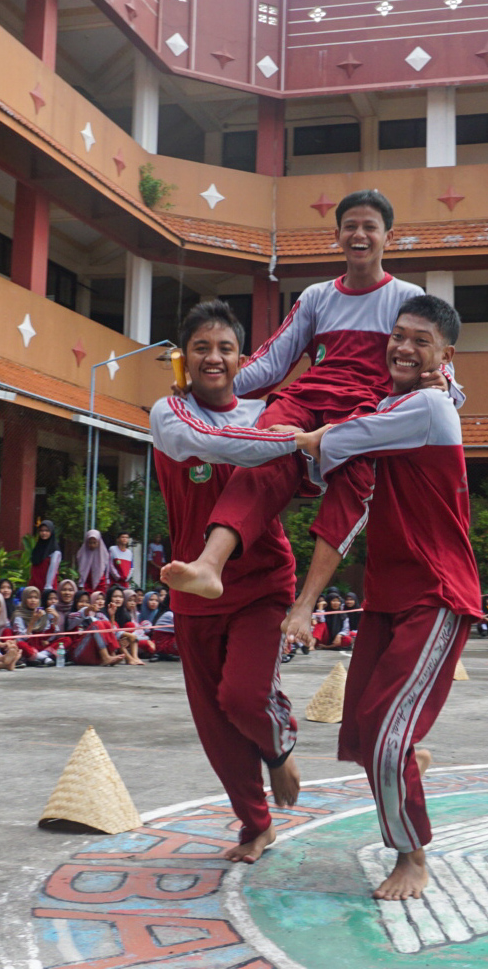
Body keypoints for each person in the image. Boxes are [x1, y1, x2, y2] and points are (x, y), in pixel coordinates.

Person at [166, 190, 458, 603]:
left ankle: (305, 603)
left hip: (364, 408)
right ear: (336, 234)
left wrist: (448, 386)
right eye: (351, 226)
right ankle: (209, 564)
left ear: (388, 237)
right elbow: (270, 363)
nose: (359, 234)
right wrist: (206, 385)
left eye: (369, 227)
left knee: (353, 484)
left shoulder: (407, 298)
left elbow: (435, 358)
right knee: (262, 449)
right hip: (307, 398)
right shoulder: (317, 296)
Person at [283, 293, 480, 901]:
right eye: (398, 335)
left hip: (436, 592)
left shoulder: (425, 408)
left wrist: (281, 435)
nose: (402, 347)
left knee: (388, 739)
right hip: (388, 597)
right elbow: (348, 503)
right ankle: (408, 763)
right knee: (369, 733)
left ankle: (412, 856)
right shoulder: (403, 400)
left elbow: (333, 444)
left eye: (420, 340)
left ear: (444, 355)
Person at [151, 299, 306, 863]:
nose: (213, 358)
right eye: (201, 348)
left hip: (262, 581)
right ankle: (255, 825)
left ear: (243, 359)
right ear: (183, 358)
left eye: (225, 349)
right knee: (215, 726)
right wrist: (292, 439)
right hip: (193, 589)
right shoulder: (168, 414)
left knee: (242, 698)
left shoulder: (262, 414)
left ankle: (278, 741)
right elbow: (217, 445)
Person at [30, 520, 63, 590]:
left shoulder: (55, 551)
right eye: (41, 530)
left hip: (47, 585)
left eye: (47, 530)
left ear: (51, 532)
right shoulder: (38, 547)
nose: (44, 533)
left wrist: (48, 587)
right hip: (34, 583)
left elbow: (52, 570)